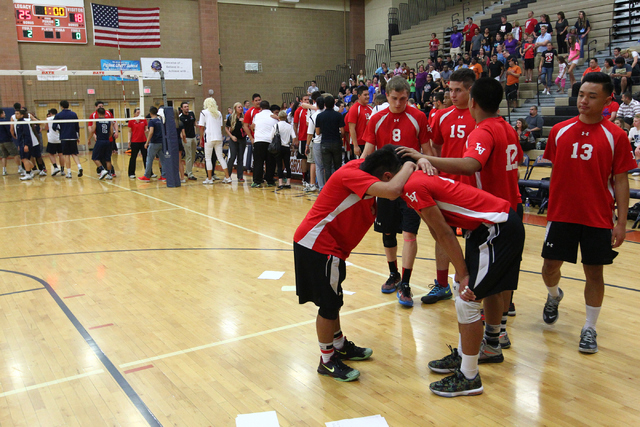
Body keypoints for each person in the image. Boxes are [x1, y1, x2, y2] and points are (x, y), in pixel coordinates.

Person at [400, 76, 523, 353]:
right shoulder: (507, 127)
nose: (453, 95)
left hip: (490, 217)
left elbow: (470, 165)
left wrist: (423, 158)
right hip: (510, 207)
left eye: (459, 91)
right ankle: (497, 334)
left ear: (473, 101)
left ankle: (472, 359)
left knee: (472, 288)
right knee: (499, 281)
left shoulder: (482, 130)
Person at [293, 145, 417, 381]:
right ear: (388, 175)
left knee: (335, 298)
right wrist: (412, 164)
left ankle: (339, 344)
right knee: (328, 306)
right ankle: (327, 360)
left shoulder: (362, 167)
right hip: (318, 245)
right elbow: (393, 190)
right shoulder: (354, 175)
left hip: (331, 247)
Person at [400, 163, 524, 397]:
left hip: (496, 228)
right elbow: (438, 230)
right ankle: (489, 347)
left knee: (467, 298)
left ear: (387, 176)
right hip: (487, 228)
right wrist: (460, 269)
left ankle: (469, 376)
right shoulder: (413, 183)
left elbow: (446, 232)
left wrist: (463, 272)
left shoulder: (412, 185)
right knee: (485, 290)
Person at [541, 72, 636, 354]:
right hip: (561, 214)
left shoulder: (616, 136)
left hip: (597, 217)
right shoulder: (559, 131)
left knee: (594, 273)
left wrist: (621, 223)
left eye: (592, 96)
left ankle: (589, 328)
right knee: (549, 269)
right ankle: (553, 296)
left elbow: (621, 180)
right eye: (582, 94)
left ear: (608, 100)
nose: (584, 100)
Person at [361, 77, 432, 307]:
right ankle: (394, 274)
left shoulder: (418, 117)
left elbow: (428, 152)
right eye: (394, 98)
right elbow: (367, 154)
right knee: (388, 233)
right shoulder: (377, 119)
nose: (399, 103)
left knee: (410, 234)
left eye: (404, 99)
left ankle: (407, 283)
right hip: (386, 185)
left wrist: (428, 167)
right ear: (387, 95)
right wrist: (359, 180)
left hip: (411, 185)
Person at [426, 69, 476, 305]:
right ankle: (442, 284)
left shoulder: (480, 116)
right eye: (450, 90)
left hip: (474, 186)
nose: (452, 95)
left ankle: (486, 286)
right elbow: (435, 148)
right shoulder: (441, 116)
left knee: (478, 238)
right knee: (442, 235)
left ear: (470, 90)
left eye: (458, 90)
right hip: (446, 185)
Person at [315, 95, 345, 183]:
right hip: (336, 142)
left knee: (327, 167)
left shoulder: (320, 116)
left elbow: (317, 132)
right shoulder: (338, 115)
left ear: (325, 104)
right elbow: (343, 131)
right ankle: (338, 185)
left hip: (325, 143)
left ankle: (329, 186)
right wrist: (340, 137)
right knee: (337, 166)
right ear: (333, 105)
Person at [250, 100, 278, 187]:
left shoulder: (257, 116)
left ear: (260, 108)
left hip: (258, 141)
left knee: (258, 162)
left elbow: (252, 126)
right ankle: (269, 180)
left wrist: (255, 130)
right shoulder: (274, 117)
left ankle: (257, 181)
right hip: (270, 141)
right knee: (270, 162)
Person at [53, 100, 83, 179]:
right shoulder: (73, 114)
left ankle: (69, 173)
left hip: (64, 137)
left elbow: (54, 127)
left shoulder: (58, 115)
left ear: (61, 106)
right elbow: (77, 126)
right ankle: (79, 167)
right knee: (74, 153)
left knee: (67, 155)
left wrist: (60, 130)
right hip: (73, 137)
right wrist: (78, 137)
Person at [138, 106, 167, 182]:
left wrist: (147, 142)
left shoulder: (152, 121)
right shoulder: (160, 120)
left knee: (149, 159)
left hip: (154, 143)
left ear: (150, 113)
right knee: (163, 159)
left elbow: (151, 132)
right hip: (161, 142)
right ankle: (164, 176)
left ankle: (147, 176)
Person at [88, 107, 116, 180]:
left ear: (97, 113)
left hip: (100, 141)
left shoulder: (96, 120)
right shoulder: (109, 121)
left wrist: (89, 138)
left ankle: (102, 170)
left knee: (94, 157)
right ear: (104, 113)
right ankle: (109, 174)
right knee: (108, 159)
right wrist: (107, 137)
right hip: (107, 141)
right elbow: (111, 132)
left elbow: (93, 130)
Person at [345, 86, 372, 158]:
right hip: (359, 143)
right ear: (359, 96)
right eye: (365, 95)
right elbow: (351, 128)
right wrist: (356, 146)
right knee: (359, 166)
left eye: (368, 94)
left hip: (368, 143)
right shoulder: (354, 109)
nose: (368, 97)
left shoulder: (371, 108)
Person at [271, 110, 293, 189]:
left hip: (278, 147)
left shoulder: (276, 126)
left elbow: (271, 137)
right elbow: (293, 137)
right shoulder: (289, 126)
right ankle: (288, 182)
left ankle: (280, 183)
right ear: (286, 117)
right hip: (287, 147)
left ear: (279, 117)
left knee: (279, 165)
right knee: (287, 165)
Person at [15, 109, 37, 181]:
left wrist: (26, 145)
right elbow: (20, 136)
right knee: (23, 159)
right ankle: (33, 170)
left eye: (17, 114)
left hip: (25, 144)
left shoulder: (24, 123)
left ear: (22, 115)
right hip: (21, 143)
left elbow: (27, 135)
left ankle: (28, 174)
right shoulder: (18, 123)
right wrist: (19, 144)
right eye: (15, 113)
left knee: (24, 159)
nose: (16, 115)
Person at [179, 102, 198, 181]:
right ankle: (190, 174)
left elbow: (194, 122)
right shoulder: (181, 118)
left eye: (187, 106)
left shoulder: (191, 114)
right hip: (186, 138)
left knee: (193, 155)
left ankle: (187, 171)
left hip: (193, 137)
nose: (187, 108)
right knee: (189, 156)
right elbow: (180, 130)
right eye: (185, 107)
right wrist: (183, 138)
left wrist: (197, 126)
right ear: (182, 108)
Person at [127, 108, 148, 179]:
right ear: (134, 113)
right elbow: (129, 131)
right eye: (137, 112)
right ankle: (131, 173)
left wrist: (148, 130)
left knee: (146, 157)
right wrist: (128, 140)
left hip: (143, 141)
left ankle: (149, 172)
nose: (138, 114)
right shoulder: (131, 121)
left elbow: (146, 129)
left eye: (139, 112)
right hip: (135, 141)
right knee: (133, 157)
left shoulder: (144, 119)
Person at [43, 108, 63, 176]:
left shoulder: (48, 119)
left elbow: (46, 128)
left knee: (51, 154)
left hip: (52, 139)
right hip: (60, 138)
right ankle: (62, 170)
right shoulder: (60, 118)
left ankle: (55, 167)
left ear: (50, 113)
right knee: (61, 154)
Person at [0, 110, 19, 176]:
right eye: (4, 113)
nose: (5, 114)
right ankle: (20, 168)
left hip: (0, 142)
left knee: (3, 156)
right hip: (7, 141)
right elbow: (9, 130)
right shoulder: (4, 121)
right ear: (1, 114)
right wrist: (12, 136)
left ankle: (4, 171)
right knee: (15, 154)